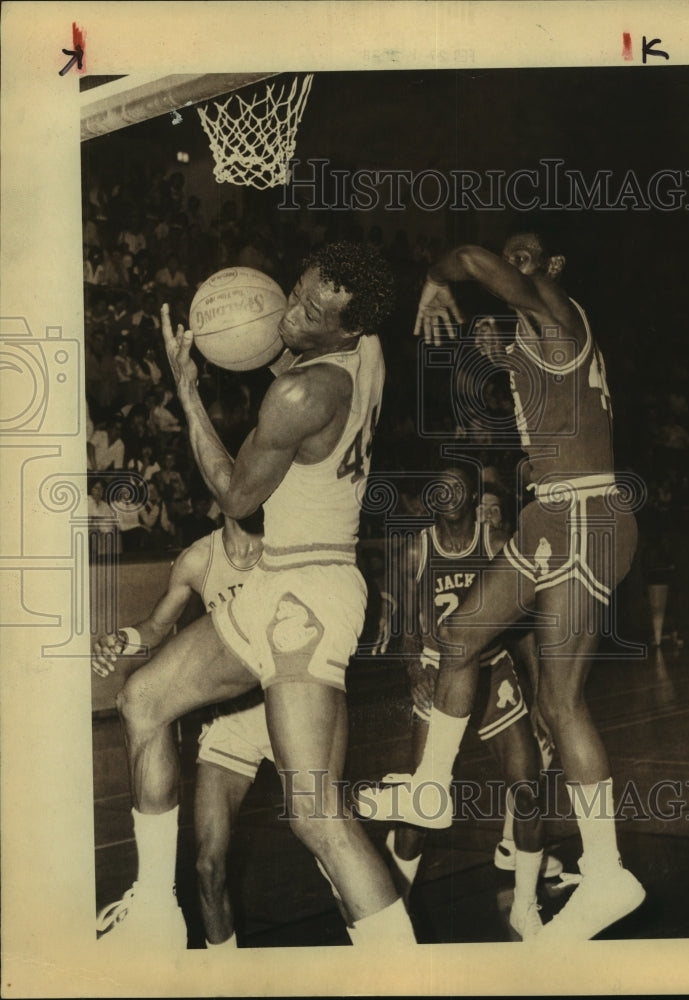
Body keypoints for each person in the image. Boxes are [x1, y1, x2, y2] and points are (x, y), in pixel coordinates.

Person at [99, 241, 415, 949]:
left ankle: (404, 973)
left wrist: (186, 388)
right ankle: (154, 908)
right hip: (284, 583)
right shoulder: (366, 354)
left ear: (348, 328)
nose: (289, 313)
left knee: (312, 813)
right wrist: (254, 333)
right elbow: (288, 348)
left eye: (308, 310)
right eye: (293, 292)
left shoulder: (302, 394)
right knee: (143, 699)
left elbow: (236, 495)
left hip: (307, 597)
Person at [358, 231, 645, 941]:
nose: (511, 269)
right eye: (510, 258)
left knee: (559, 700)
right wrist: (502, 351)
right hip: (551, 512)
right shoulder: (535, 336)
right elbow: (543, 412)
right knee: (457, 637)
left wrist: (437, 278)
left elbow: (469, 258)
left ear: (551, 269)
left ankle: (606, 873)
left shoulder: (555, 310)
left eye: (525, 258)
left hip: (584, 511)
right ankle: (430, 786)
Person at [380, 464, 554, 939]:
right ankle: (398, 907)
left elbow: (527, 631)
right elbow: (402, 629)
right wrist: (415, 671)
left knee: (528, 788)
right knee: (421, 805)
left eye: (459, 485)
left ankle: (525, 906)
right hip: (439, 675)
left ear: (475, 495)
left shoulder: (497, 544)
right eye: (440, 485)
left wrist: (539, 697)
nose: (449, 493)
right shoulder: (415, 550)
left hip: (493, 669)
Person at [92, 514, 269, 947]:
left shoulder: (289, 543)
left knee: (327, 842)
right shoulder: (197, 559)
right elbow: (155, 628)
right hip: (232, 717)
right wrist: (120, 638)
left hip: (291, 704)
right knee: (208, 868)